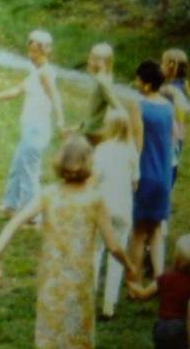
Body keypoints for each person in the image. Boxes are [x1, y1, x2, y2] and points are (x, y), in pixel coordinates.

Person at [0, 135, 135, 349]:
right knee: (77, 340)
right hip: (79, 284)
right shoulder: (94, 199)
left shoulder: (49, 194)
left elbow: (15, 222)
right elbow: (113, 246)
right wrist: (131, 268)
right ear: (88, 163)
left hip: (52, 282)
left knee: (50, 339)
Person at [0, 29, 65, 217]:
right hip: (28, 128)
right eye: (30, 51)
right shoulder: (35, 72)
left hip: (37, 129)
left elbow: (55, 98)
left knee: (29, 172)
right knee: (18, 165)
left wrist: (60, 123)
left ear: (45, 52)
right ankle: (11, 204)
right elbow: (17, 90)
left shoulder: (45, 74)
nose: (31, 56)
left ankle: (31, 216)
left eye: (35, 52)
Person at [129, 59, 176, 284]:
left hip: (145, 173)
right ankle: (159, 280)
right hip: (164, 175)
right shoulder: (168, 107)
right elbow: (173, 137)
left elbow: (137, 143)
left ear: (146, 84)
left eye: (138, 79)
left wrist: (132, 172)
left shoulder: (139, 106)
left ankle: (134, 278)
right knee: (156, 230)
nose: (136, 82)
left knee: (138, 231)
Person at [92, 109, 140, 320]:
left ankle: (89, 295)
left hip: (103, 206)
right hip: (123, 207)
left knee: (96, 250)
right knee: (117, 254)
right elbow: (135, 182)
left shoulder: (102, 150)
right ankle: (109, 304)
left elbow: (93, 180)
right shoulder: (132, 152)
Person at [128, 232, 190, 349]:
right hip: (179, 328)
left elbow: (143, 294)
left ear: (176, 258)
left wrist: (131, 284)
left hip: (161, 326)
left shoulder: (165, 277)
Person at [77, 42, 143, 148]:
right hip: (90, 128)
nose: (90, 62)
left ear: (105, 63)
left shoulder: (102, 82)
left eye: (95, 60)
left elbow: (116, 105)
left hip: (96, 131)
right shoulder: (99, 79)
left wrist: (127, 126)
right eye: (90, 58)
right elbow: (92, 109)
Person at [160, 48, 189, 186]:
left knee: (167, 161)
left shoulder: (169, 89)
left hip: (170, 131)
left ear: (171, 68)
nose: (160, 67)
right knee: (173, 160)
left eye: (163, 64)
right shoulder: (183, 85)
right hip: (179, 132)